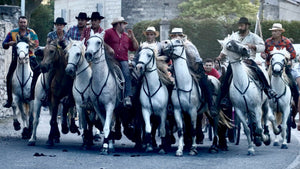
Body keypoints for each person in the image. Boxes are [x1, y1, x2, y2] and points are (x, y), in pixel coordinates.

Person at [216, 17, 277, 109]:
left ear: (247, 26)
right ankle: (225, 98)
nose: (240, 27)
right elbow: (226, 46)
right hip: (235, 61)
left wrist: (253, 46)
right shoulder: (234, 36)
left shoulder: (253, 37)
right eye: (239, 26)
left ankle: (267, 89)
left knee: (258, 71)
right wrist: (220, 56)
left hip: (248, 60)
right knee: (226, 76)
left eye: (242, 26)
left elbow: (262, 47)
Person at [169, 27, 218, 116]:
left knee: (205, 82)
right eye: (173, 36)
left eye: (177, 36)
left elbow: (197, 59)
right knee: (168, 83)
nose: (175, 38)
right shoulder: (171, 45)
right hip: (177, 71)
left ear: (181, 36)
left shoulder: (188, 44)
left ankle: (211, 105)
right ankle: (169, 105)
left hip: (194, 68)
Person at [263, 23, 299, 127]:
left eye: (275, 31)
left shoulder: (286, 41)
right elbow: (264, 53)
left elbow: (293, 54)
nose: (273, 32)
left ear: (280, 32)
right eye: (272, 31)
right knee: (262, 83)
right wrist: (264, 54)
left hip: (284, 69)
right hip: (270, 68)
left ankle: (292, 114)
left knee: (295, 89)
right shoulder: (267, 41)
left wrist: (286, 57)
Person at [2, 16, 40, 108]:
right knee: (9, 76)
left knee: (39, 73)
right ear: (18, 23)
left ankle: (39, 96)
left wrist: (28, 42)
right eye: (21, 22)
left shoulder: (31, 32)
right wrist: (9, 44)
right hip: (16, 59)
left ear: (27, 23)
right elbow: (4, 44)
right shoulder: (12, 33)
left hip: (30, 57)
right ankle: (10, 100)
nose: (23, 24)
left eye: (24, 22)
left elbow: (36, 44)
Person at [104, 17, 139, 107]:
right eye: (123, 24)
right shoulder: (108, 32)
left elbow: (135, 48)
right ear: (118, 24)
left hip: (123, 60)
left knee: (127, 74)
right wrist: (109, 48)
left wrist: (133, 38)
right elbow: (101, 42)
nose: (124, 26)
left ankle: (127, 96)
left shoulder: (126, 36)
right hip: (110, 59)